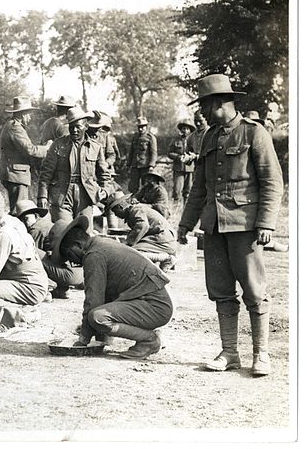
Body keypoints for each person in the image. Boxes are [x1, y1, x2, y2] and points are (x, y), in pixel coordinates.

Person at [177, 74, 283, 376]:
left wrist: (266, 223)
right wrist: (186, 224)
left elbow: (272, 181)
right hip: (213, 227)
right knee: (221, 291)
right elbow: (198, 188)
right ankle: (230, 352)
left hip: (245, 225)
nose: (201, 112)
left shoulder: (254, 133)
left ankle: (261, 354)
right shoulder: (209, 137)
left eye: (204, 105)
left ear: (218, 103)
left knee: (254, 290)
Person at [48, 215, 173, 359]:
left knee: (97, 318)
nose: (71, 262)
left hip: (156, 307)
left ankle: (149, 340)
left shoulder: (94, 255)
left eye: (69, 255)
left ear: (78, 245)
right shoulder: (101, 243)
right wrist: (99, 335)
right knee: (96, 317)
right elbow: (106, 295)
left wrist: (84, 338)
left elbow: (93, 301)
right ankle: (146, 335)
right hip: (155, 304)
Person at [37, 106, 112, 222]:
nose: (74, 131)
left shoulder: (96, 147)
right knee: (63, 231)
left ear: (86, 126)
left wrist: (105, 191)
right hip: (62, 194)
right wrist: (42, 195)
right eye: (71, 127)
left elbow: (104, 175)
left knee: (83, 233)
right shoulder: (58, 145)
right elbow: (46, 173)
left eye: (78, 127)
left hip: (86, 196)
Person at [13, 199, 83, 300]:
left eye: (26, 218)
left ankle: (45, 288)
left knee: (31, 251)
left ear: (36, 216)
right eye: (21, 220)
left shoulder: (36, 229)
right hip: (79, 272)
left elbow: (32, 262)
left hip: (69, 273)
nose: (24, 222)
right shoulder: (47, 223)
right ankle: (62, 289)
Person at [0, 96, 49, 212]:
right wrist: (47, 148)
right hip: (16, 175)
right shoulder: (16, 128)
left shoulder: (12, 126)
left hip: (15, 173)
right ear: (22, 114)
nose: (30, 117)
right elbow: (30, 150)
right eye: (29, 114)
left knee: (18, 208)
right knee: (19, 210)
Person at [105, 191, 178, 271]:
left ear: (121, 206)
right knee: (131, 250)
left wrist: (127, 243)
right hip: (162, 239)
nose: (115, 214)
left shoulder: (136, 210)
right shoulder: (134, 210)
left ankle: (167, 258)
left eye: (115, 211)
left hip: (163, 240)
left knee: (130, 252)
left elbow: (142, 226)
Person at [167, 120, 197, 203]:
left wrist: (191, 156)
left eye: (187, 129)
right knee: (177, 190)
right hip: (178, 168)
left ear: (190, 130)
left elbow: (197, 152)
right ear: (181, 130)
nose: (185, 131)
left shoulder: (193, 141)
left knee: (188, 190)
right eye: (184, 128)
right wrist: (178, 157)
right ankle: (176, 208)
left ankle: (185, 209)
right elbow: (169, 153)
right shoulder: (175, 140)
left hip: (190, 168)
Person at [127, 116, 158, 193]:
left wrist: (151, 165)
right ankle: (133, 202)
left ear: (146, 127)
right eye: (139, 127)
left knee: (146, 186)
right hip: (135, 165)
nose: (140, 129)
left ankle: (144, 203)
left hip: (145, 166)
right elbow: (131, 152)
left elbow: (154, 153)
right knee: (133, 186)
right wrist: (128, 164)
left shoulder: (151, 138)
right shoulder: (135, 137)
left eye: (142, 127)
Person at [87, 110, 121, 175]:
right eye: (93, 127)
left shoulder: (104, 136)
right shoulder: (84, 137)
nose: (96, 130)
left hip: (102, 172)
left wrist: (107, 163)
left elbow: (111, 154)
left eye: (98, 127)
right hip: (88, 172)